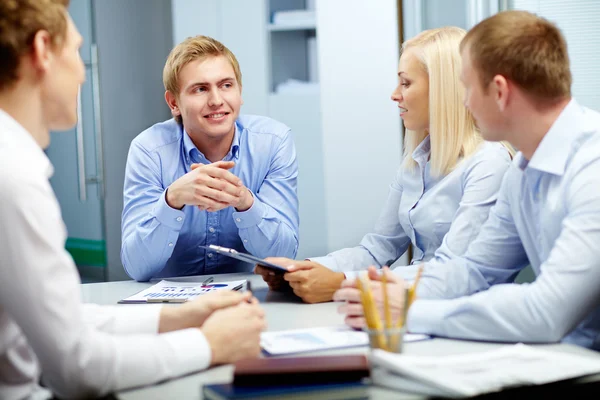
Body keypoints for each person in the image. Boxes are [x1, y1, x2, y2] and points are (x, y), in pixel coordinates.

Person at [0, 2, 265, 399]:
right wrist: (209, 345)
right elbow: (79, 368)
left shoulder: (13, 164)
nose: (82, 75)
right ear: (42, 51)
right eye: (75, 51)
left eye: (226, 85)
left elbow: (63, 322)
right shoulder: (13, 179)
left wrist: (178, 318)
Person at [335, 10, 600, 350]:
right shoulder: (522, 170)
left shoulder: (591, 167)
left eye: (466, 86)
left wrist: (406, 311)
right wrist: (387, 293)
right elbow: (474, 271)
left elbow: (546, 313)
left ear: (500, 91)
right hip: (566, 356)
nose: (462, 101)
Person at [255, 27, 512, 303]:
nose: (394, 94)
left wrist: (343, 283)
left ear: (442, 89)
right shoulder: (418, 160)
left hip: (462, 310)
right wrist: (304, 269)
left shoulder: (488, 164)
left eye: (406, 83)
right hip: (412, 305)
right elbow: (378, 249)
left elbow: (450, 270)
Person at [121, 35, 299, 282]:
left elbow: (283, 257)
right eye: (200, 89)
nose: (216, 101)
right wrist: (172, 200)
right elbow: (137, 267)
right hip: (172, 308)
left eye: (226, 85)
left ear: (239, 92)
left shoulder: (273, 142)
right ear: (174, 103)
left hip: (246, 302)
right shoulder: (149, 150)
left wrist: (245, 202)